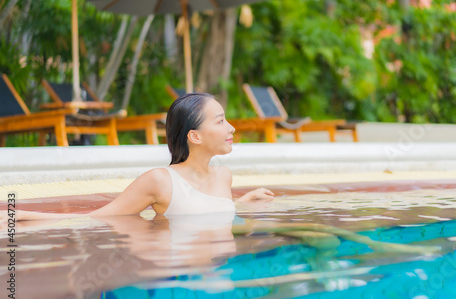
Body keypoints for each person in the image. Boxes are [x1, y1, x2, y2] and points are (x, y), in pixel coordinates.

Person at [6, 93, 274, 221]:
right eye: (221, 121)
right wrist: (19, 216)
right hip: (179, 281)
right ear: (195, 136)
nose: (232, 128)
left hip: (221, 277)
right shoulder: (160, 181)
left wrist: (245, 202)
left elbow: (211, 211)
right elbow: (97, 217)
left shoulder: (224, 176)